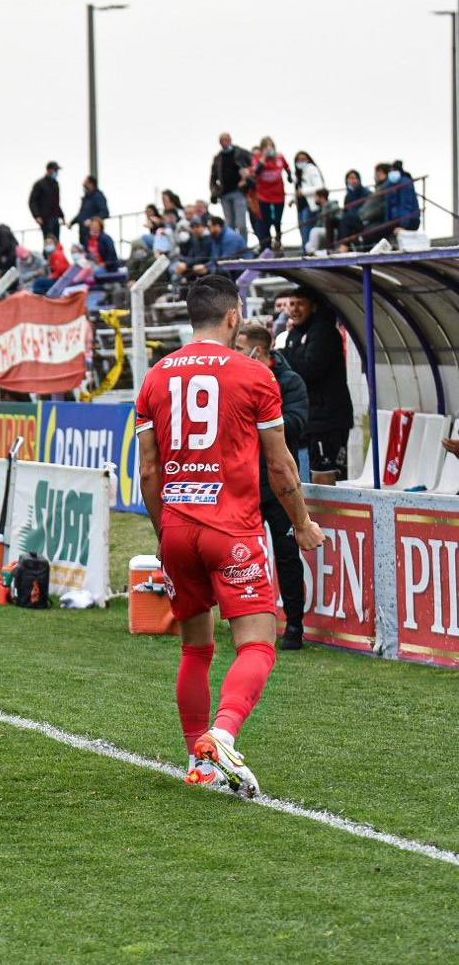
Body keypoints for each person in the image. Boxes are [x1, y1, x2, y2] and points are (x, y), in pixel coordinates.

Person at [134, 275, 324, 798]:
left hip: (177, 525)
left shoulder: (154, 377)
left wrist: (162, 530)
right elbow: (282, 467)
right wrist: (302, 523)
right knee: (259, 645)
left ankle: (200, 755)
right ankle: (221, 734)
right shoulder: (255, 375)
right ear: (234, 317)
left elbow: (149, 472)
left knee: (196, 649)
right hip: (231, 530)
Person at [236, 321, 310, 650]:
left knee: (286, 553)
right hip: (245, 480)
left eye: (239, 349)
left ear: (260, 351)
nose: (234, 354)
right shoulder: (236, 379)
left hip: (279, 482)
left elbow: (297, 424)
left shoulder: (290, 382)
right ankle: (242, 619)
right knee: (237, 554)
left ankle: (294, 625)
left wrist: (264, 421)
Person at [280, 290, 353, 484]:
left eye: (300, 304)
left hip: (328, 419)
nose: (294, 309)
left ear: (313, 306)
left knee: (325, 473)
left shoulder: (324, 332)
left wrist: (283, 356)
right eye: (291, 304)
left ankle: (330, 515)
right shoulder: (294, 333)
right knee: (309, 473)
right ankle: (314, 515)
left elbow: (311, 369)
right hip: (310, 418)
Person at [209, 132, 254, 238]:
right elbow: (213, 177)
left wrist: (247, 179)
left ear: (230, 140)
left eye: (226, 139)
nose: (224, 142)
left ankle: (243, 248)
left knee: (241, 224)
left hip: (239, 192)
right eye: (222, 140)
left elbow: (253, 166)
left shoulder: (241, 153)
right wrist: (214, 191)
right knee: (230, 225)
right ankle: (233, 249)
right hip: (224, 194)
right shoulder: (218, 158)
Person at [251, 138, 291, 251]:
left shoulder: (279, 157)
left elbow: (287, 168)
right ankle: (267, 246)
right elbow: (255, 172)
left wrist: (289, 176)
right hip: (264, 196)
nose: (269, 149)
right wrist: (263, 159)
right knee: (266, 221)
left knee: (277, 220)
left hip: (278, 195)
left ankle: (278, 241)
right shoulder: (258, 158)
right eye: (266, 146)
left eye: (271, 146)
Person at [292, 150, 325, 243]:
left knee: (308, 230)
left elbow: (320, 187)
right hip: (300, 207)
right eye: (298, 160)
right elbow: (298, 189)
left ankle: (309, 252)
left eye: (303, 159)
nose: (300, 162)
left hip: (310, 206)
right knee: (302, 230)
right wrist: (293, 199)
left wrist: (303, 192)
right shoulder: (298, 173)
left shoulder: (311, 169)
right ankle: (305, 250)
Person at [28, 160, 63, 240]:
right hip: (45, 219)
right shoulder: (39, 184)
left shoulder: (56, 184)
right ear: (49, 170)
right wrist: (37, 216)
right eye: (55, 170)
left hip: (55, 218)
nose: (57, 172)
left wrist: (62, 216)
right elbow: (32, 201)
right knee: (48, 240)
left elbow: (56, 203)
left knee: (56, 241)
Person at [70, 175, 109, 240]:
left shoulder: (98, 196)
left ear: (91, 184)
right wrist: (72, 222)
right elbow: (81, 214)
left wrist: (91, 220)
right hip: (83, 234)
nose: (84, 187)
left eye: (85, 185)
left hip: (93, 235)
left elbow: (105, 212)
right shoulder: (86, 198)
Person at [340, 169, 372, 246]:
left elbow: (365, 209)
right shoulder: (348, 195)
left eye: (355, 178)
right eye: (350, 178)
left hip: (363, 219)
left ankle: (343, 245)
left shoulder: (365, 192)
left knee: (347, 219)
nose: (353, 180)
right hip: (352, 220)